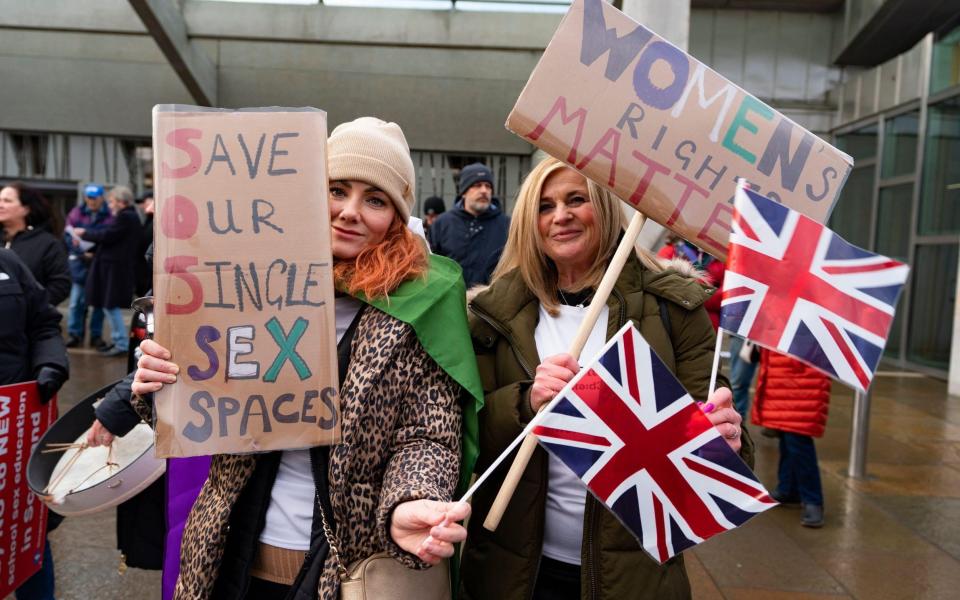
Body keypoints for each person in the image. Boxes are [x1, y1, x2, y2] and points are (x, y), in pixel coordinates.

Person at [112, 117, 477, 599]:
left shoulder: (418, 306)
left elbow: (426, 435)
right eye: (336, 190)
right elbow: (199, 398)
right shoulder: (243, 281)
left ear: (394, 217)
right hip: (230, 552)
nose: (349, 212)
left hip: (347, 566)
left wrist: (408, 503)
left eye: (374, 199)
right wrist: (158, 384)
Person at [459, 158, 752, 600]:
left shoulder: (674, 311)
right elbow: (465, 435)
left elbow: (724, 453)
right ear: (528, 223)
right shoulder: (493, 316)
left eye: (577, 199)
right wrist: (526, 402)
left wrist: (726, 439)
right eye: (545, 206)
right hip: (515, 573)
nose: (561, 215)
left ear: (606, 208)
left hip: (635, 576)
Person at [0, 248, 69, 600]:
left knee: (27, 531)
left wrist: (51, 365)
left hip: (15, 428)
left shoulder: (8, 263)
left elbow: (43, 323)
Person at [752, 349, 830, 528]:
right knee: (787, 438)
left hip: (800, 383)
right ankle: (789, 488)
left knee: (798, 442)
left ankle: (813, 500)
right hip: (784, 380)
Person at [73, 185, 141, 357]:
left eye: (111, 202)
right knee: (108, 305)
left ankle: (121, 343)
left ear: (121, 202)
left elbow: (108, 236)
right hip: (114, 267)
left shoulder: (126, 217)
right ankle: (119, 341)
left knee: (110, 305)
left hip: (114, 268)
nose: (109, 205)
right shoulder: (129, 216)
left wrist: (85, 233)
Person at [428, 162, 509, 288]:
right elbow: (431, 267)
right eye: (477, 185)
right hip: (451, 303)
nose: (484, 190)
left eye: (488, 186)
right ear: (463, 192)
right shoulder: (442, 224)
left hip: (493, 304)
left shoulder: (507, 225)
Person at [0, 182, 70, 306]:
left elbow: (61, 285)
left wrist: (32, 309)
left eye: (7, 201)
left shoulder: (47, 244)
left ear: (25, 209)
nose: (1, 205)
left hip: (24, 321)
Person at [64, 183, 114, 349]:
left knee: (98, 303)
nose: (91, 201)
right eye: (89, 198)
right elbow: (68, 235)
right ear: (85, 197)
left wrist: (96, 253)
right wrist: (80, 253)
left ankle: (96, 336)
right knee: (75, 302)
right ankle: (74, 334)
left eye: (95, 198)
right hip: (80, 263)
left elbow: (111, 237)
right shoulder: (76, 212)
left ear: (102, 198)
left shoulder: (109, 214)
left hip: (99, 262)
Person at [658, 235, 724, 330]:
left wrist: (695, 294)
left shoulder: (718, 252)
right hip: (685, 324)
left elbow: (727, 293)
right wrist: (708, 293)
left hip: (715, 326)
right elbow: (670, 289)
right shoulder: (669, 252)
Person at [134, 189, 154, 298]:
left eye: (144, 201)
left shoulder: (155, 219)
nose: (141, 206)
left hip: (148, 270)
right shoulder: (148, 219)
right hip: (143, 269)